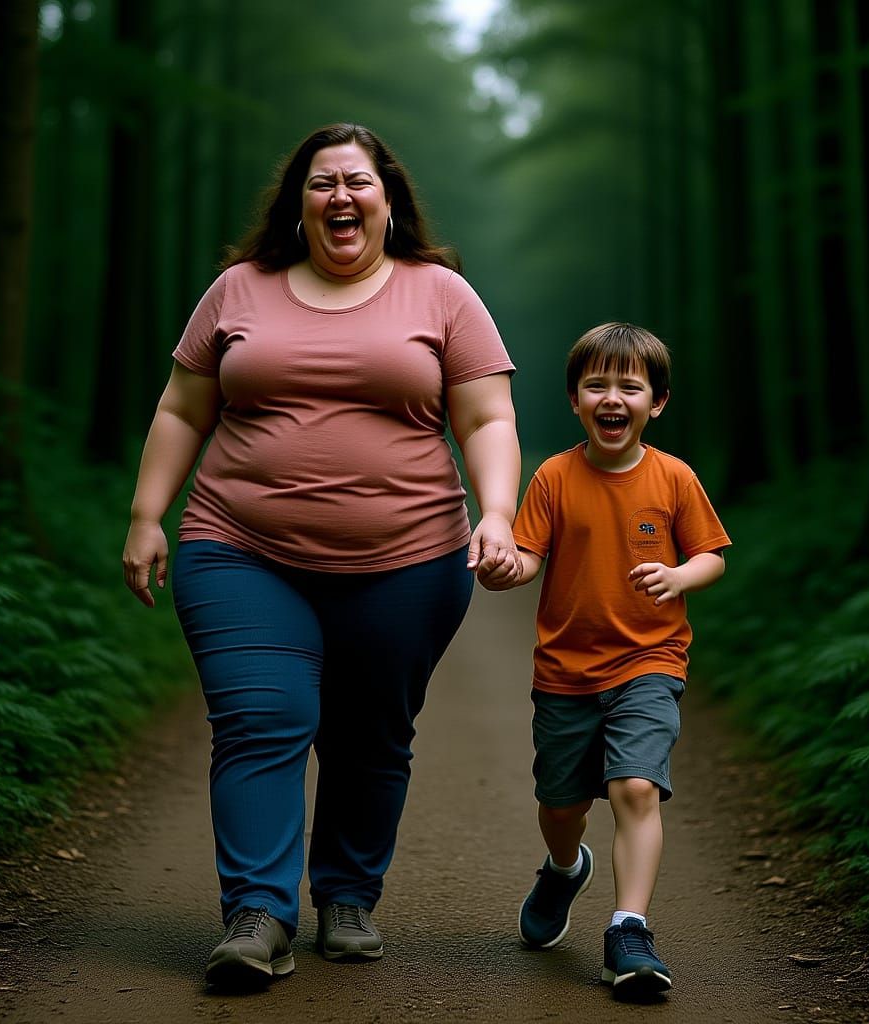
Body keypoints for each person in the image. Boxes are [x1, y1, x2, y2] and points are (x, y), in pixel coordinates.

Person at [122, 122, 522, 989]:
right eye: (321, 182)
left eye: (357, 181)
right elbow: (183, 408)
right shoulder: (239, 288)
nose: (340, 196)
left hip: (411, 560)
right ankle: (259, 912)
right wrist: (147, 515)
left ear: (388, 199)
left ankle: (346, 897)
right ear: (298, 202)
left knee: (370, 737)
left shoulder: (441, 293)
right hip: (239, 547)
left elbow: (486, 418)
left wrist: (497, 512)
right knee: (261, 721)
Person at [478, 322, 730, 999]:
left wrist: (680, 577)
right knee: (561, 804)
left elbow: (710, 554)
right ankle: (564, 868)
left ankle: (629, 929)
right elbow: (530, 555)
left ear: (657, 402)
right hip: (564, 673)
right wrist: (507, 568)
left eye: (629, 385)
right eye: (596, 385)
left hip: (650, 660)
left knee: (635, 787)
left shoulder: (674, 477)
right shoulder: (554, 478)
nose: (611, 397)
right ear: (575, 401)